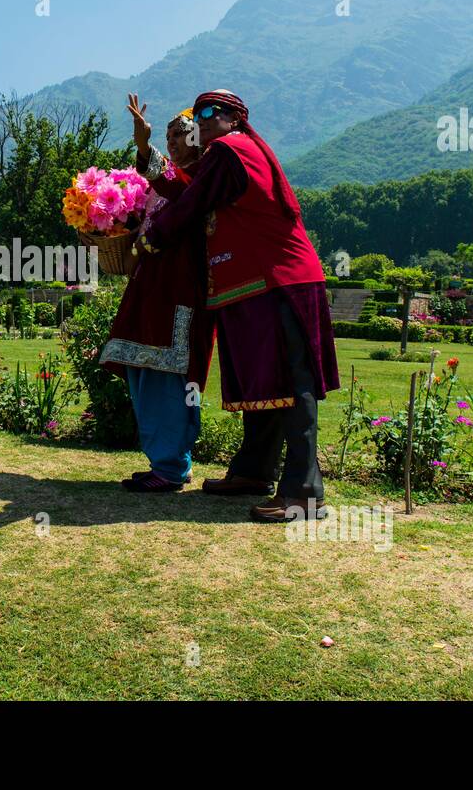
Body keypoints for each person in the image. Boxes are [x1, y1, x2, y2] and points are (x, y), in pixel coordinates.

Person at [138, 89, 339, 521]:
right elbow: (186, 189)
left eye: (214, 111)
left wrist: (155, 236)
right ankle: (253, 471)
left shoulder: (229, 150)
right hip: (255, 284)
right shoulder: (229, 153)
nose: (204, 118)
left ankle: (304, 492)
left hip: (278, 280)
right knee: (267, 383)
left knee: (292, 383)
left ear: (236, 118)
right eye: (199, 113)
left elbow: (192, 203)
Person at [99, 96, 214, 493]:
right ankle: (164, 462)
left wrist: (144, 147)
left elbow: (174, 184)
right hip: (149, 290)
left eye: (180, 135)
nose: (174, 143)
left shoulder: (201, 179)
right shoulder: (171, 183)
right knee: (142, 369)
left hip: (178, 293)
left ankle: (171, 465)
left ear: (200, 138)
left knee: (169, 373)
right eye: (168, 137)